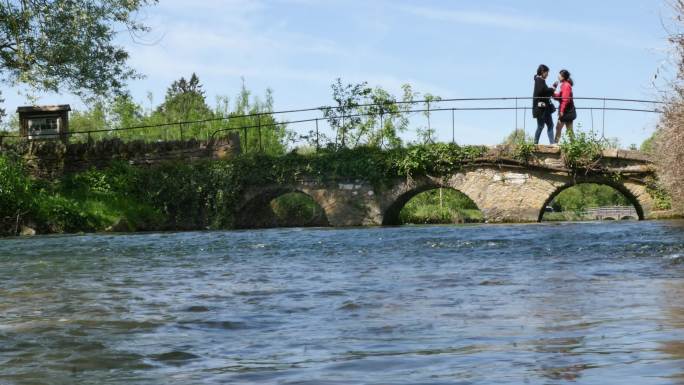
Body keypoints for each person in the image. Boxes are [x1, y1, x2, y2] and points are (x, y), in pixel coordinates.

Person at [532, 64, 557, 144]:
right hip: (541, 108)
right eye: (547, 72)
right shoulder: (539, 80)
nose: (547, 74)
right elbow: (541, 92)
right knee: (541, 126)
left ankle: (552, 143)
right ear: (543, 72)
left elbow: (544, 92)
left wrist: (551, 89)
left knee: (549, 125)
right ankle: (535, 143)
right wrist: (551, 89)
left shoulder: (540, 80)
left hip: (544, 108)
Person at [553, 69, 576, 143]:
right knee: (569, 130)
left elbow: (565, 99)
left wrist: (561, 111)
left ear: (563, 77)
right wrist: (552, 92)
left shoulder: (566, 86)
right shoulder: (564, 85)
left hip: (566, 111)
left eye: (559, 75)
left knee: (558, 128)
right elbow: (560, 96)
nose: (558, 76)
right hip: (569, 110)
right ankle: (574, 145)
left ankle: (555, 144)